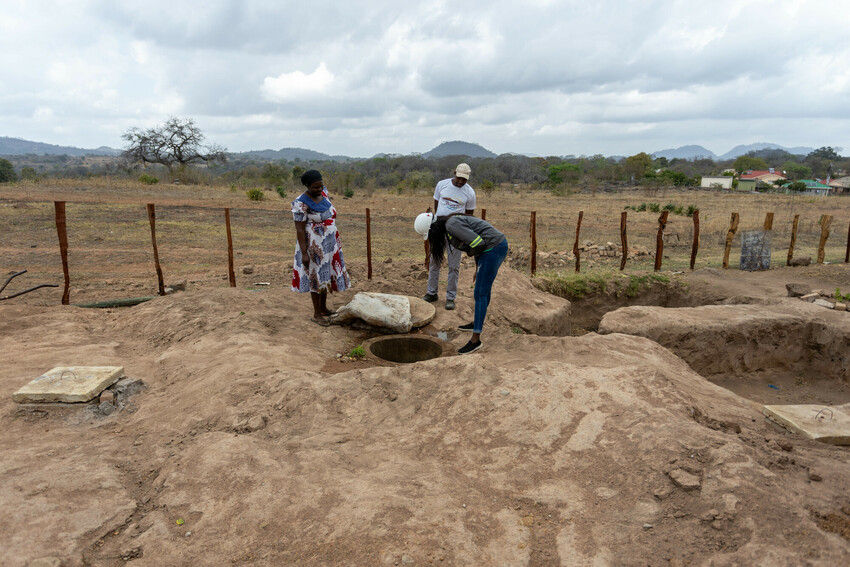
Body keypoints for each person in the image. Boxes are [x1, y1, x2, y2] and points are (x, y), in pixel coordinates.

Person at [414, 211, 508, 354]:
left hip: (494, 249)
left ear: (433, 229)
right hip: (490, 249)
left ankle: (475, 340)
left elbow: (479, 244)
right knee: (483, 290)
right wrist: (478, 268)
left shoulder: (452, 225)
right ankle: (476, 323)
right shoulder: (450, 226)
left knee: (480, 292)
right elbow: (477, 243)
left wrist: (471, 254)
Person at [291, 169, 350, 325]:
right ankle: (316, 314)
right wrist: (304, 253)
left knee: (325, 274)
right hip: (313, 246)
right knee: (315, 278)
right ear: (307, 185)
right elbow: (299, 229)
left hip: (330, 245)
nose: (318, 189)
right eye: (315, 187)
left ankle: (323, 309)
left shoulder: (324, 193)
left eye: (320, 186)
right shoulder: (300, 203)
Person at [423, 163, 476, 310]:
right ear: (454, 173)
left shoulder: (470, 193)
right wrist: (441, 221)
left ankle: (450, 297)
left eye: (464, 180)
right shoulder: (442, 185)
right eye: (459, 178)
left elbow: (469, 215)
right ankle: (431, 292)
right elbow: (437, 204)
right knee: (435, 261)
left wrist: (452, 217)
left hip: (456, 232)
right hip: (439, 229)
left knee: (454, 266)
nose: (460, 182)